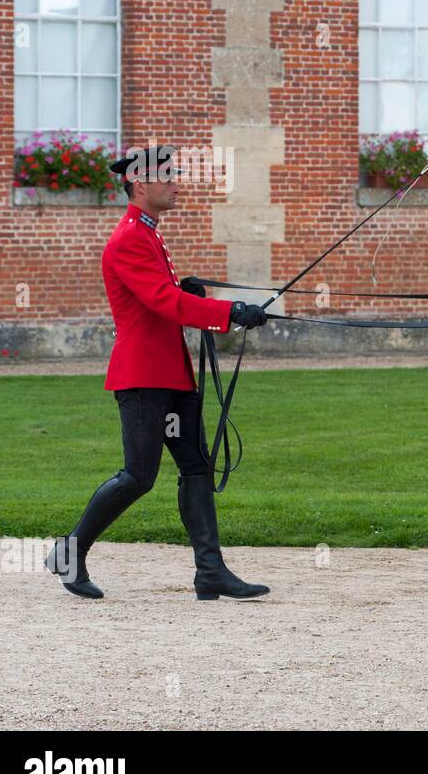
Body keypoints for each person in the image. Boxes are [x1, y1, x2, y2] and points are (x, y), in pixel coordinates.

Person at [45, 145, 270, 601]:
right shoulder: (129, 238)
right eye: (167, 177)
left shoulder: (149, 233)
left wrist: (188, 289)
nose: (176, 183)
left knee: (196, 467)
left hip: (171, 375)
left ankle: (210, 571)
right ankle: (69, 551)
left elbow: (166, 294)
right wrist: (230, 312)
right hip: (143, 379)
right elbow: (164, 304)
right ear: (141, 184)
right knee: (138, 476)